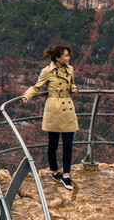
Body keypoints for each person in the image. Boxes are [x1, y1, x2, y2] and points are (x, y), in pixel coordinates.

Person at [21, 45, 79, 190]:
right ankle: (54, 171)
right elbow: (37, 87)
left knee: (68, 145)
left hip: (68, 109)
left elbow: (71, 83)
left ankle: (66, 175)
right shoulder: (47, 71)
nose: (69, 58)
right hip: (54, 109)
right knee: (52, 145)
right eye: (66, 55)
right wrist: (26, 95)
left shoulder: (70, 69)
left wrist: (73, 88)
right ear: (58, 58)